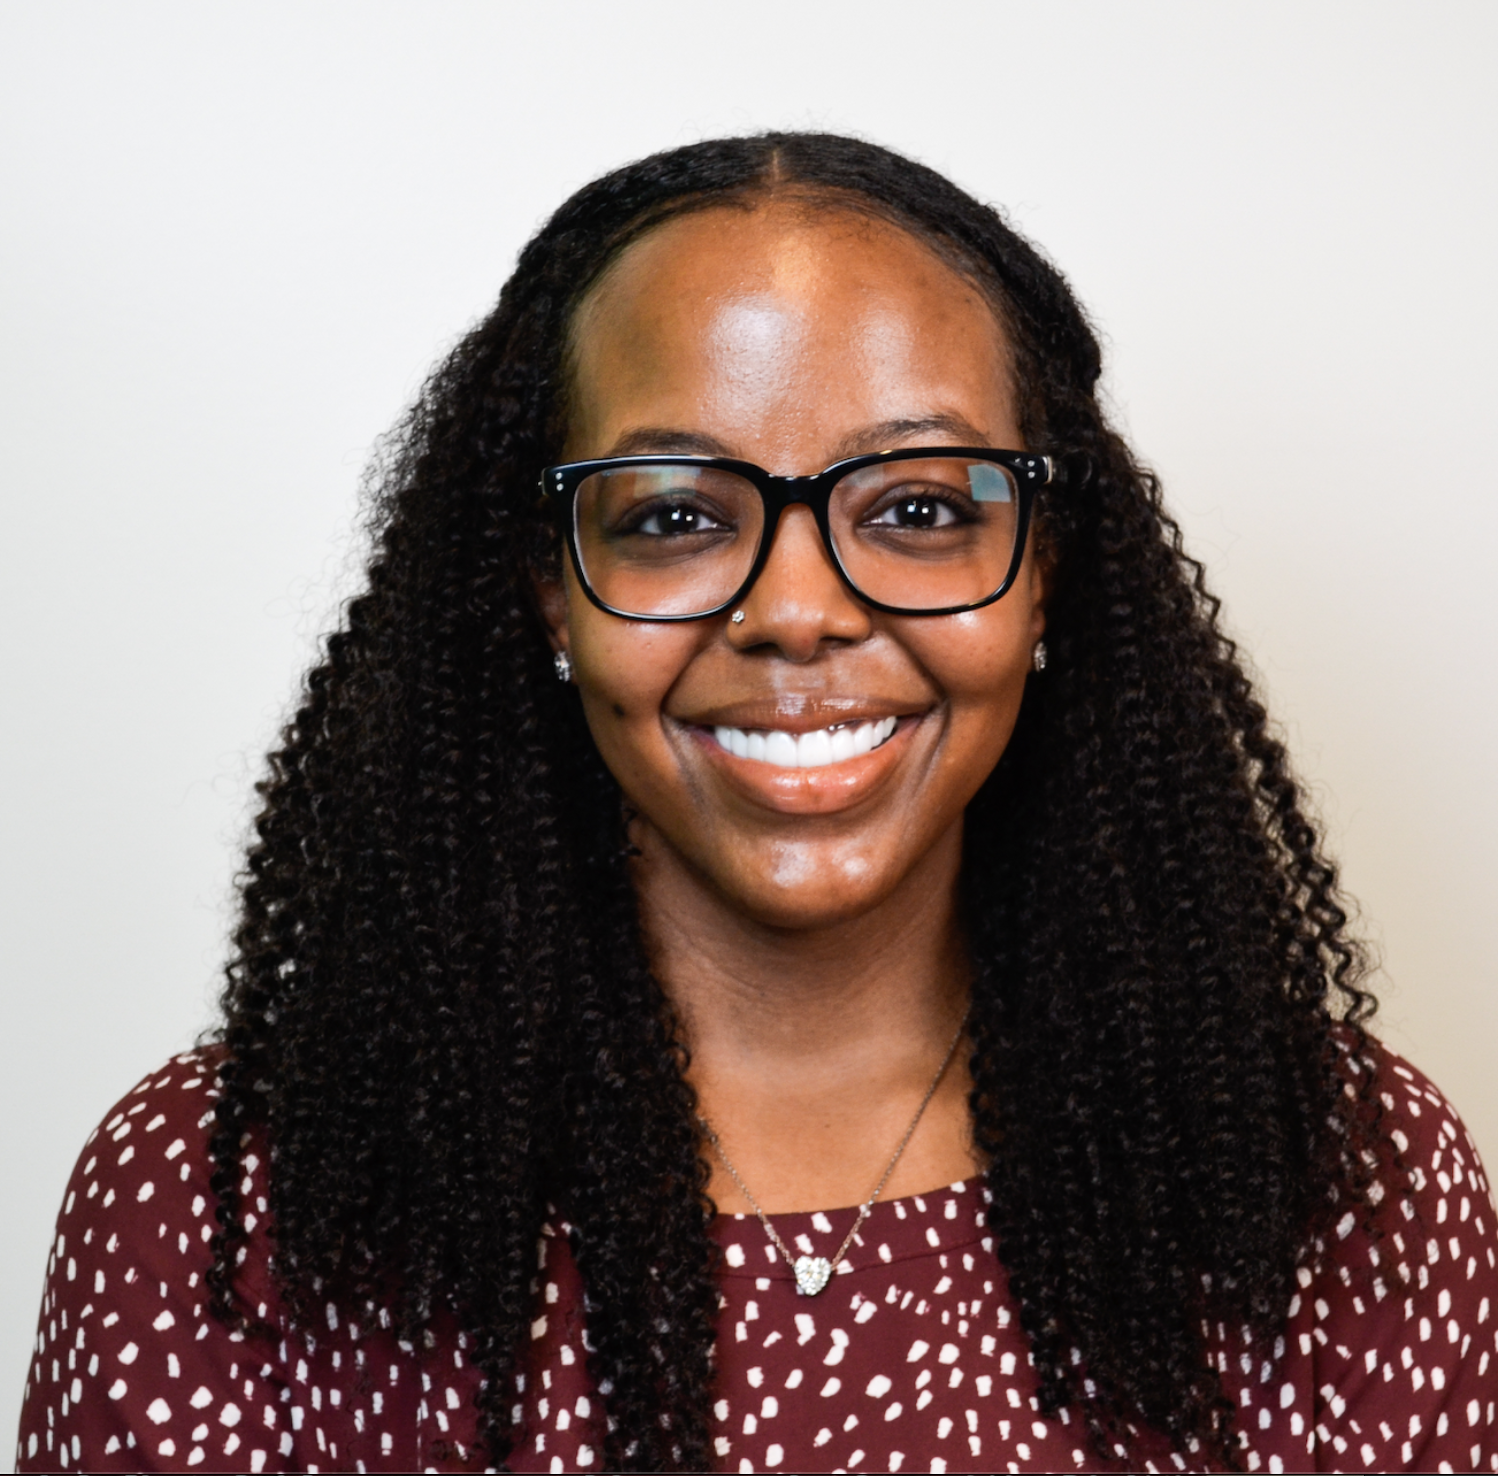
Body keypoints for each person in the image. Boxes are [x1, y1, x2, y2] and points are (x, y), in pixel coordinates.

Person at [17, 133, 1498, 1475]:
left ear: (1046, 568)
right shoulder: (231, 1203)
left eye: (917, 507)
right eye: (674, 516)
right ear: (549, 584)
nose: (796, 612)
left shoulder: (1347, 1184)